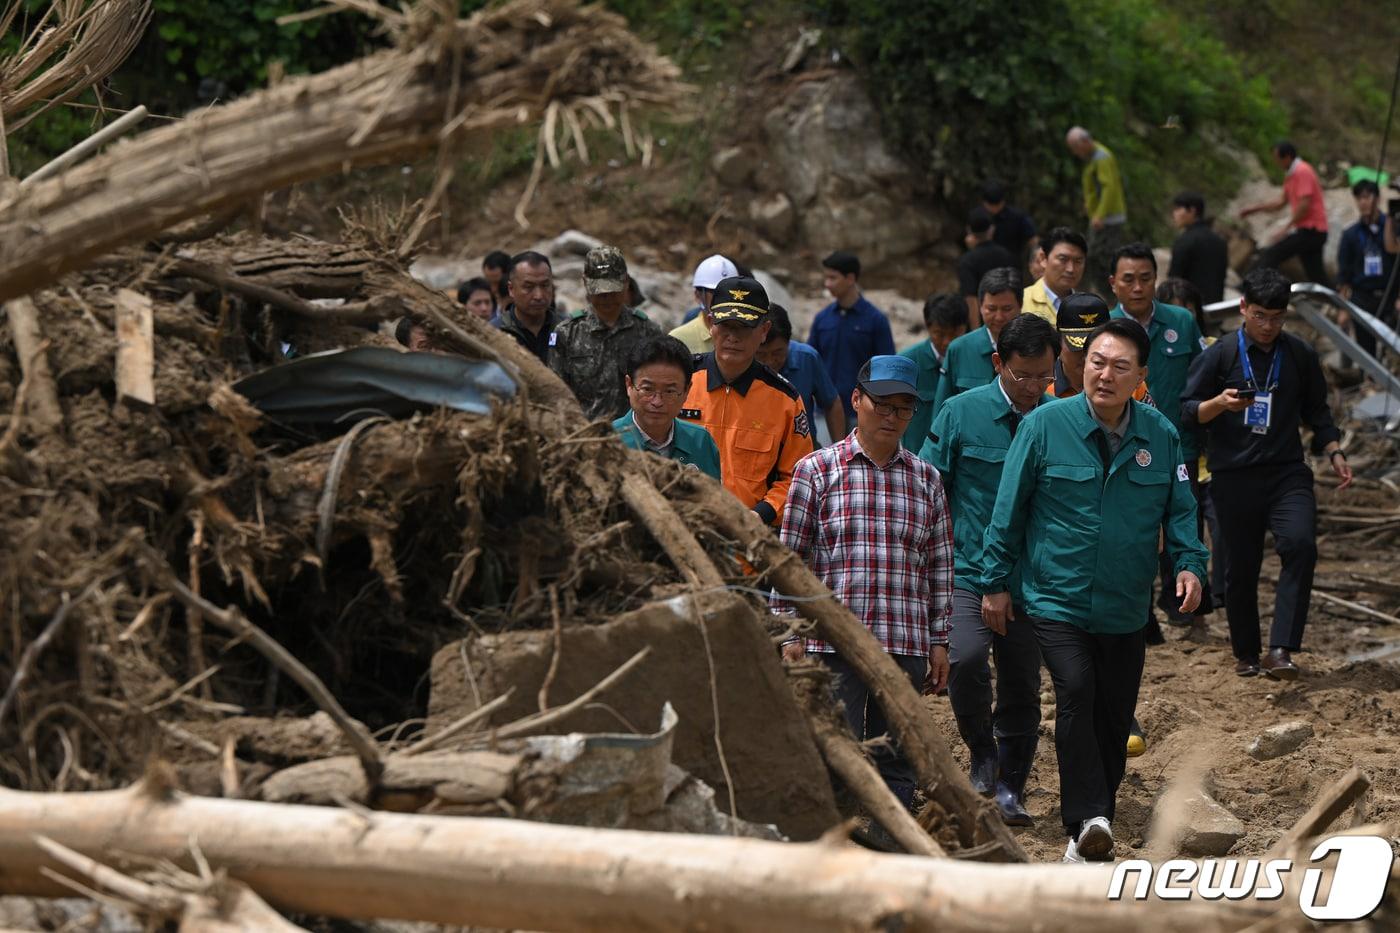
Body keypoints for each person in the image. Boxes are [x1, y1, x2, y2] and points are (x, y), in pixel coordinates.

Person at [983, 319, 1208, 862]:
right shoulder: (1044, 426)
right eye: (1096, 362)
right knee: (1076, 692)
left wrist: (1190, 564)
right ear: (1081, 364)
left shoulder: (1161, 434)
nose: (1104, 375)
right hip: (1056, 597)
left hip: (1126, 604)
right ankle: (1087, 818)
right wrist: (994, 583)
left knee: (1113, 713)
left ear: (1141, 376)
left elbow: (1181, 512)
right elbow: (1008, 510)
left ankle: (1091, 829)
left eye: (1119, 367)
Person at [774, 355, 953, 807]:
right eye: (883, 404)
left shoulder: (927, 480)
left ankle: (891, 845)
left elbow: (939, 565)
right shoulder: (816, 471)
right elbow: (789, 558)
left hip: (904, 640)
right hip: (834, 641)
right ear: (857, 400)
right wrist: (787, 629)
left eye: (904, 408)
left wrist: (940, 640)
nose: (892, 417)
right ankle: (841, 847)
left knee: (898, 755)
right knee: (837, 749)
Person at [920, 314, 1057, 826]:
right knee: (967, 657)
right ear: (998, 364)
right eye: (1023, 376)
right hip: (966, 567)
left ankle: (1010, 785)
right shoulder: (960, 413)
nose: (1033, 389)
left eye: (1045, 377)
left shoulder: (1057, 418)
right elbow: (929, 489)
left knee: (1023, 680)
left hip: (1031, 578)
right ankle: (982, 752)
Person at [1182, 267, 1352, 679]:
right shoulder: (1220, 354)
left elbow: (1317, 410)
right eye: (1259, 315)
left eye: (1277, 317)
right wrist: (1220, 403)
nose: (1268, 325)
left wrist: (1333, 450)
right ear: (1243, 308)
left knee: (1300, 545)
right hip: (1233, 475)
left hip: (1286, 473)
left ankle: (1282, 648)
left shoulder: (1298, 355)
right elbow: (1188, 411)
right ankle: (1247, 653)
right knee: (1239, 567)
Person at [680, 276, 813, 526]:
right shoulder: (680, 381)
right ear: (711, 324)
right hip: (679, 529)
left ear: (764, 331)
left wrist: (759, 515)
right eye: (726, 325)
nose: (733, 336)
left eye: (744, 327)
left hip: (748, 542)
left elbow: (798, 477)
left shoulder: (784, 400)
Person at [1158, 276, 1227, 617]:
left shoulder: (1213, 351)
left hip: (1204, 455)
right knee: (1175, 525)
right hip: (1173, 451)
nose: (1181, 316)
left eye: (1187, 310)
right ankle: (1174, 599)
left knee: (1201, 527)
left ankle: (1206, 592)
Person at [549, 246, 663, 422]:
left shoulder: (648, 331)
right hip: (584, 436)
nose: (607, 297)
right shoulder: (566, 333)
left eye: (613, 290)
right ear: (585, 282)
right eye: (600, 292)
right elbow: (557, 393)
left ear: (626, 282)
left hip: (636, 437)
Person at [612, 335, 722, 481]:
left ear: (686, 391)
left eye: (669, 391)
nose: (657, 402)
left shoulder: (701, 441)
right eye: (647, 389)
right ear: (629, 385)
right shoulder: (606, 441)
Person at [809, 251, 896, 421]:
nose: (827, 284)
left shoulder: (875, 320)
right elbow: (811, 361)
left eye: (833, 278)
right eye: (825, 278)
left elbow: (887, 368)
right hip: (824, 411)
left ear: (850, 278)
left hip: (861, 413)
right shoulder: (822, 319)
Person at [1240, 141, 1331, 286]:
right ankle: (1337, 300)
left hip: (1312, 230)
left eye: (1277, 158)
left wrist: (1286, 228)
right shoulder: (1291, 174)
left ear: (1287, 157)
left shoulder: (1302, 171)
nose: (1276, 162)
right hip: (1310, 231)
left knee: (1273, 253)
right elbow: (1280, 202)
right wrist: (1255, 209)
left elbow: (1304, 205)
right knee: (1316, 274)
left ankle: (1252, 286)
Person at [755, 304, 846, 446]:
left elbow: (832, 403)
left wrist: (839, 449)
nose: (769, 362)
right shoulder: (742, 362)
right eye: (761, 355)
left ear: (788, 342)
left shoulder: (807, 358)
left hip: (804, 451)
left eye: (777, 353)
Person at [933, 267, 1022, 411]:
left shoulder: (1033, 348)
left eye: (1006, 309)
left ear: (1020, 306)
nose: (999, 317)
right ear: (980, 307)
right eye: (991, 309)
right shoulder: (959, 349)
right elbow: (941, 409)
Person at [900, 292, 968, 451]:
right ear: (928, 326)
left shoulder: (976, 360)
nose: (947, 342)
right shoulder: (906, 363)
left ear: (964, 328)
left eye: (954, 334)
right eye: (940, 334)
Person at [1337, 179, 1396, 358]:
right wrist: (1343, 308)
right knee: (1365, 349)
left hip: (1390, 295)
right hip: (1362, 297)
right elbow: (1344, 275)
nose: (1363, 202)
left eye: (1367, 196)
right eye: (1359, 198)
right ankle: (1365, 379)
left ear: (1377, 198)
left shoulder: (1392, 226)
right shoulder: (1351, 235)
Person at [1066, 127, 1127, 296]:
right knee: (1094, 255)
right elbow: (1096, 187)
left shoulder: (1101, 158)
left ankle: (1109, 294)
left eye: (1075, 148)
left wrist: (1100, 214)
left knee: (1099, 256)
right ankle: (1105, 293)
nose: (1075, 153)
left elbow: (1109, 187)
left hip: (1108, 219)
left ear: (1084, 142)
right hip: (1100, 216)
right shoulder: (1093, 157)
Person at [494, 251, 563, 364]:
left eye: (545, 285)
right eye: (528, 287)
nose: (538, 296)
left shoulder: (569, 329)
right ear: (511, 289)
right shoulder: (495, 332)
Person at [1167, 191, 1229, 306]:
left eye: (1177, 209)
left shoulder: (1185, 240)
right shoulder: (1219, 241)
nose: (1174, 214)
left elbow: (1174, 280)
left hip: (1190, 309)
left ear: (1192, 211)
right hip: (1215, 307)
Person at [958, 207, 1016, 327]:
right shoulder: (1007, 256)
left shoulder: (967, 260)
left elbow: (970, 299)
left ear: (969, 230)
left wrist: (975, 331)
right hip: (1006, 319)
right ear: (991, 229)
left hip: (983, 320)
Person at [670, 254, 739, 353]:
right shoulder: (678, 340)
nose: (725, 298)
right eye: (716, 292)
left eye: (730, 292)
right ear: (698, 296)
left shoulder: (748, 335)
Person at [1022, 227, 1088, 325]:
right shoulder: (1022, 302)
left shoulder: (1089, 307)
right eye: (1063, 259)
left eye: (1078, 261)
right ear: (1043, 258)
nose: (1071, 269)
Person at [981, 179, 1038, 262]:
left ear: (1003, 201)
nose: (994, 209)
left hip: (1010, 264)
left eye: (997, 205)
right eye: (991, 205)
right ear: (984, 202)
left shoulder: (1018, 216)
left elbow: (1033, 239)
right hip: (984, 262)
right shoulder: (978, 216)